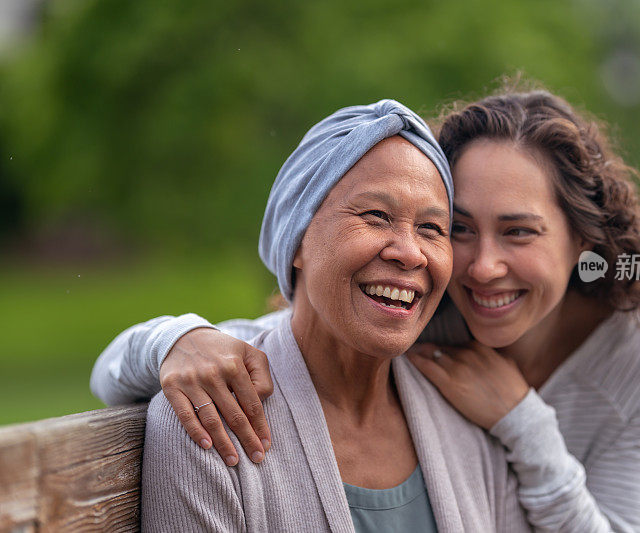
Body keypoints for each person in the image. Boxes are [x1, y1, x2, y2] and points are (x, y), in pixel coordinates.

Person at [93, 84, 640, 532]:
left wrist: (524, 422)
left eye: (519, 232)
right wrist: (174, 339)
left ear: (582, 243)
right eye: (460, 229)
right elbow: (283, 336)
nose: (483, 266)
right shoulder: (422, 326)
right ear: (300, 237)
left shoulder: (631, 361)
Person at [137, 99, 533, 531]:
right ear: (298, 239)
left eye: (431, 228)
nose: (409, 252)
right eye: (376, 216)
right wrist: (170, 339)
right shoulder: (208, 415)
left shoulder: (466, 419)